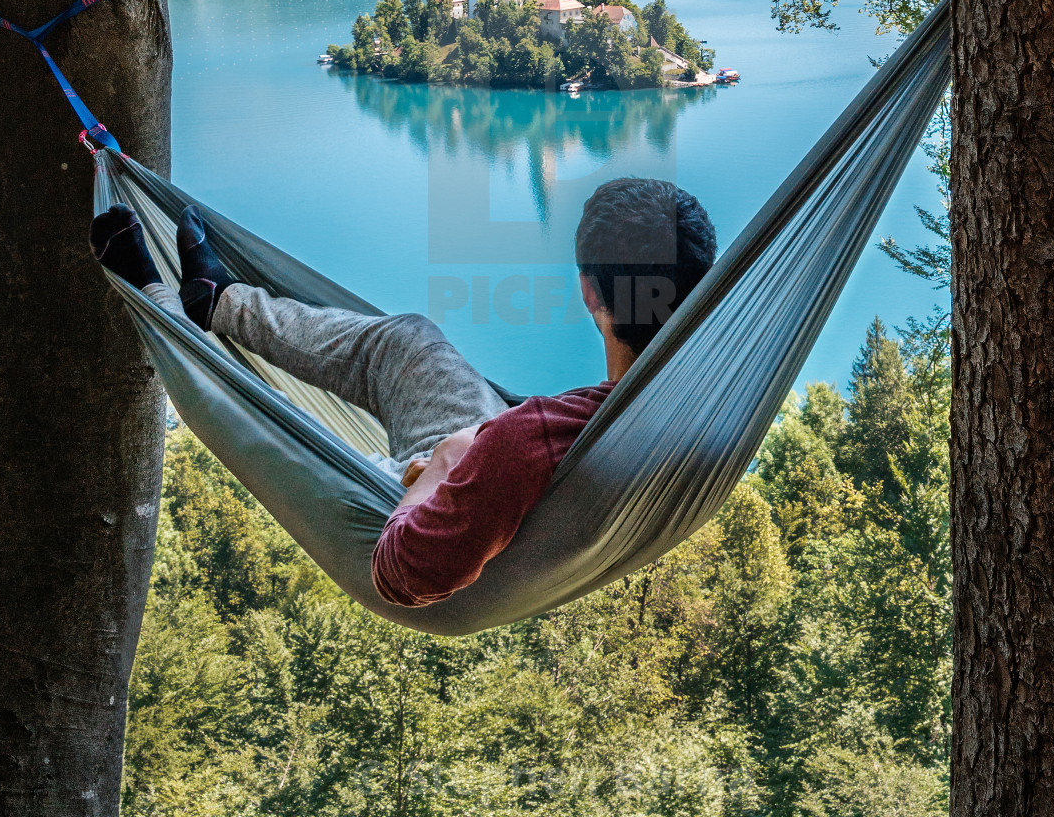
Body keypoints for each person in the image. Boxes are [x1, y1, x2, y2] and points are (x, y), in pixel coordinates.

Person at [89, 177, 716, 608]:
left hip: (433, 526)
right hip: (514, 491)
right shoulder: (708, 395)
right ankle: (220, 301)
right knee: (408, 342)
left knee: (287, 437)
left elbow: (405, 574)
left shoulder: (530, 441)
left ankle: (161, 301)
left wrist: (441, 468)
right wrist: (483, 443)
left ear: (589, 295)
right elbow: (533, 449)